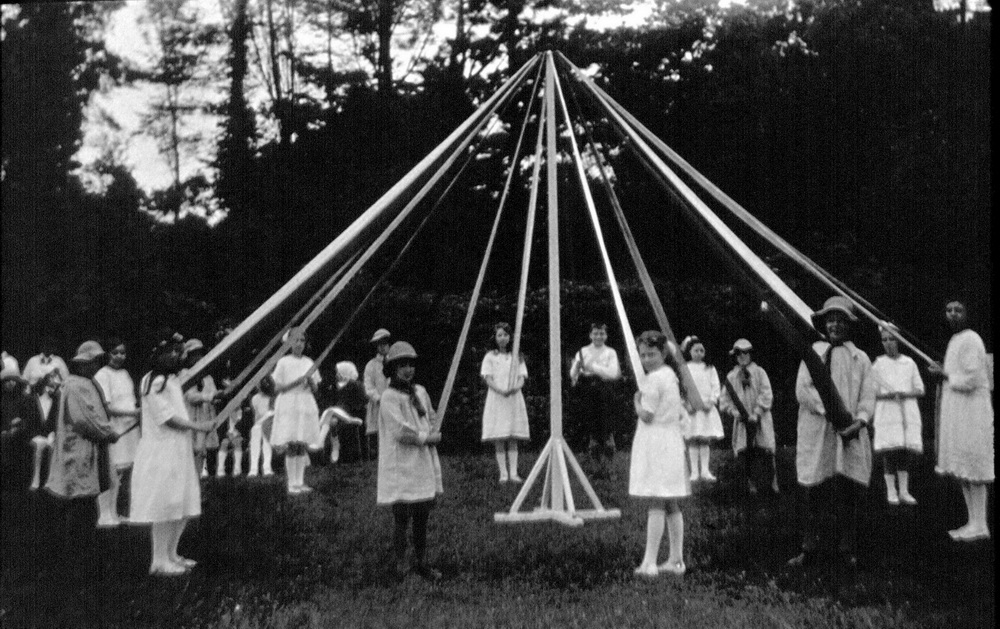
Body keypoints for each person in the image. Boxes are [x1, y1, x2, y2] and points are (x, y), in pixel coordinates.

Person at [789, 296, 875, 568]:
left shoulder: (860, 358)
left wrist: (858, 422)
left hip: (848, 431)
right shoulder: (814, 354)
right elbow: (803, 390)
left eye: (840, 319)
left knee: (848, 489)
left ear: (849, 324)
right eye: (830, 319)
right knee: (813, 488)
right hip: (817, 429)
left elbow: (868, 397)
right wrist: (828, 411)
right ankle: (809, 547)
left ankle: (846, 547)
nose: (835, 325)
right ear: (823, 323)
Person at [130, 331, 216, 576]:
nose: (177, 356)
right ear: (159, 354)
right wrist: (198, 426)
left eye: (179, 352)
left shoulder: (172, 380)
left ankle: (171, 554)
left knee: (182, 502)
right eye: (172, 352)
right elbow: (167, 418)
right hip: (161, 450)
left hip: (177, 448)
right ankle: (158, 560)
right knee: (165, 504)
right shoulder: (153, 381)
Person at [377, 341, 443, 581]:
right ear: (392, 368)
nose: (408, 369)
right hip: (401, 464)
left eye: (411, 364)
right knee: (402, 515)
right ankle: (400, 564)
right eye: (402, 365)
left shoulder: (420, 392)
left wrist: (435, 426)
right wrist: (427, 437)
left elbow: (431, 416)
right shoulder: (389, 397)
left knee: (422, 514)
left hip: (421, 462)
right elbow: (400, 432)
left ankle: (422, 562)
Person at [929, 299, 994, 541]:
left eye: (958, 310)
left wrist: (943, 373)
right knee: (964, 467)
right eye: (948, 310)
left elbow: (973, 378)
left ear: (967, 313)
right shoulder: (955, 340)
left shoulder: (972, 339)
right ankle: (974, 522)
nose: (952, 314)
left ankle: (980, 523)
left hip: (973, 413)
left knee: (975, 465)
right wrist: (943, 371)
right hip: (959, 412)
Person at [630, 331, 689, 578]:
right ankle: (676, 560)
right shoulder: (671, 376)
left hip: (656, 441)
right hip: (671, 440)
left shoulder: (653, 379)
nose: (646, 359)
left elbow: (647, 415)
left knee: (656, 498)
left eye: (651, 354)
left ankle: (649, 563)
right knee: (670, 500)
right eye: (642, 355)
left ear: (663, 353)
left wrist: (636, 402)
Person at [871, 323, 925, 506]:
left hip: (906, 412)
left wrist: (903, 394)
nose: (888, 343)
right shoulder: (878, 364)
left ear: (899, 340)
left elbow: (920, 389)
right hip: (887, 413)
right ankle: (891, 491)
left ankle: (904, 491)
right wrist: (887, 395)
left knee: (903, 451)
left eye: (892, 339)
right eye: (884, 340)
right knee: (890, 452)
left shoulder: (909, 363)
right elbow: (871, 391)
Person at [718, 339, 779, 496]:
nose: (742, 356)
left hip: (760, 417)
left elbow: (766, 394)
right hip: (742, 421)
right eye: (739, 353)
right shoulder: (732, 376)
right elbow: (724, 400)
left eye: (746, 352)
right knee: (745, 451)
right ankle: (750, 483)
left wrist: (757, 412)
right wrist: (734, 412)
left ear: (751, 354)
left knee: (767, 449)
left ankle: (773, 482)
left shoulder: (759, 372)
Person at [93, 338, 141, 526]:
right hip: (114, 428)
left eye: (122, 352)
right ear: (108, 354)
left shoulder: (125, 374)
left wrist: (135, 413)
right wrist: (133, 412)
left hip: (130, 429)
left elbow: (129, 400)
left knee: (127, 473)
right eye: (115, 353)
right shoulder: (102, 375)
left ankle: (120, 512)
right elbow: (107, 407)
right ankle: (105, 514)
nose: (119, 356)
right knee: (112, 472)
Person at [271, 327, 321, 494]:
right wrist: (296, 381)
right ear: (289, 342)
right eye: (296, 340)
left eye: (302, 341)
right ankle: (291, 483)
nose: (299, 344)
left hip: (305, 403)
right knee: (292, 443)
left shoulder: (309, 362)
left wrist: (310, 382)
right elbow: (277, 387)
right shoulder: (283, 362)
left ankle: (300, 482)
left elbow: (315, 388)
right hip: (289, 403)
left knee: (301, 443)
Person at [569, 322, 622, 476]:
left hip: (606, 392)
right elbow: (574, 375)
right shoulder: (583, 351)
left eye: (602, 334)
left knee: (607, 430)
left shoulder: (610, 352)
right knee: (593, 431)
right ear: (590, 335)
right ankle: (596, 469)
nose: (598, 336)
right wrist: (577, 368)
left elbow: (613, 373)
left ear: (606, 335)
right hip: (588, 392)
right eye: (596, 333)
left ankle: (610, 469)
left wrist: (594, 367)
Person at [480, 322, 530, 483]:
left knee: (512, 435)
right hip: (497, 398)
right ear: (495, 338)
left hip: (513, 398)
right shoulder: (490, 356)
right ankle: (503, 473)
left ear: (511, 337)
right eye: (499, 335)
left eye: (506, 335)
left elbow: (522, 377)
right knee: (499, 435)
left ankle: (514, 473)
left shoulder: (517, 356)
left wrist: (515, 388)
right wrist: (501, 391)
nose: (503, 338)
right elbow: (488, 378)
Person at [680, 336, 723, 482]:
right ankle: (694, 472)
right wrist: (686, 405)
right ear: (689, 351)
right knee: (692, 439)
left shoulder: (709, 368)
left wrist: (711, 402)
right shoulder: (684, 368)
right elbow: (680, 389)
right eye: (695, 350)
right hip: (691, 410)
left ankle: (705, 470)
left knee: (704, 439)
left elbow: (716, 386)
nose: (699, 353)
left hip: (705, 409)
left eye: (701, 350)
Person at [180, 339, 219, 478]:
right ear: (187, 356)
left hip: (205, 415)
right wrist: (208, 397)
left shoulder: (206, 376)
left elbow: (213, 391)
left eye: (200, 354)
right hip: (191, 415)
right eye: (194, 354)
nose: (198, 358)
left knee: (203, 449)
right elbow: (191, 397)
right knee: (192, 447)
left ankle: (202, 474)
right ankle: (191, 477)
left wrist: (217, 395)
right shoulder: (185, 374)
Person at [314, 361, 366, 464]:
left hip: (350, 412)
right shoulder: (333, 386)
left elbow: (360, 402)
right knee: (332, 417)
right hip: (336, 414)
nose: (337, 374)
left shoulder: (355, 385)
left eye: (339, 372)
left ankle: (324, 442)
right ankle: (334, 445)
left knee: (331, 415)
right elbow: (329, 401)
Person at [2, 363, 35, 493]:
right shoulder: (3, 401)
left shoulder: (28, 400)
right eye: (6, 380)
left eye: (13, 380)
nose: (10, 383)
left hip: (23, 438)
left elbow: (34, 422)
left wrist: (20, 426)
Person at [28, 370, 62, 491]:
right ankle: (36, 478)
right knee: (40, 445)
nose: (52, 389)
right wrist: (36, 434)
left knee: (52, 445)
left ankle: (49, 480)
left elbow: (55, 423)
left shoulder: (56, 402)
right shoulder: (33, 400)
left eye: (55, 387)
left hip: (48, 435)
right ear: (44, 385)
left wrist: (52, 434)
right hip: (35, 434)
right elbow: (30, 422)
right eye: (50, 386)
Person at [364, 329, 392, 460]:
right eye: (379, 343)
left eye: (385, 343)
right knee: (378, 433)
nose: (383, 346)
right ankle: (376, 460)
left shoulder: (395, 362)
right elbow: (368, 387)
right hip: (378, 404)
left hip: (394, 403)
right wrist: (379, 398)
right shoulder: (371, 365)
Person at [247, 375, 276, 477]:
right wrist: (258, 424)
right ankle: (253, 469)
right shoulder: (255, 398)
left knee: (267, 445)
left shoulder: (272, 398)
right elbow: (257, 414)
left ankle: (267, 468)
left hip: (268, 424)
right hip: (258, 424)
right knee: (255, 444)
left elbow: (272, 413)